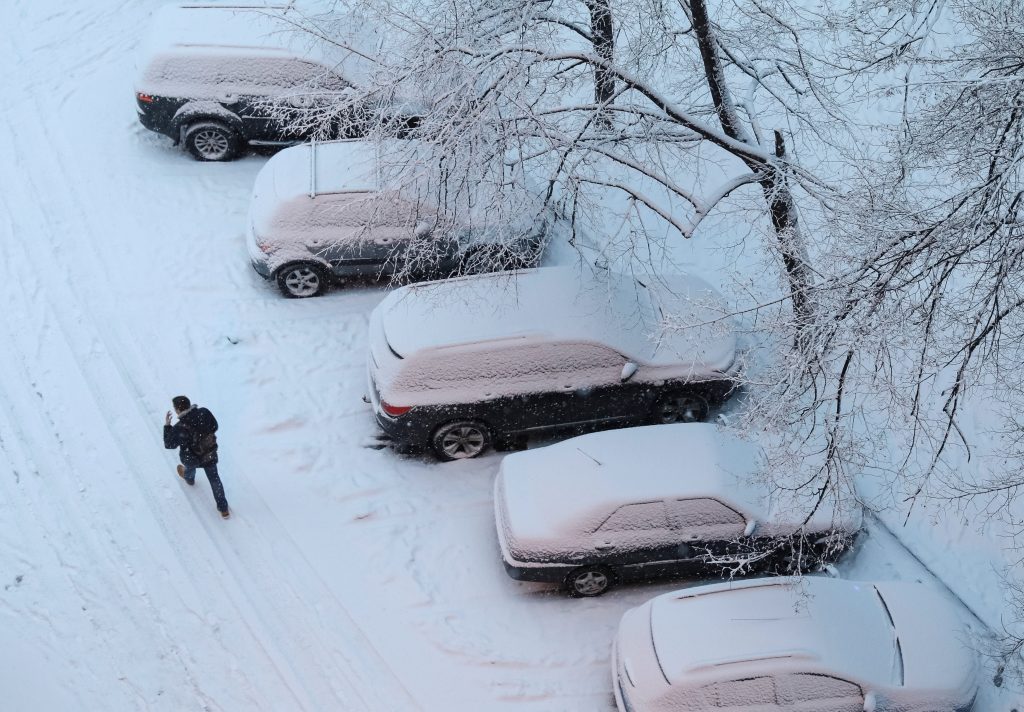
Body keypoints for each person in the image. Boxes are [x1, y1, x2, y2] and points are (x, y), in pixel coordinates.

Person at [163, 395, 230, 519]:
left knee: (189, 466)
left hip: (191, 458)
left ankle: (189, 478)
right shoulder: (203, 412)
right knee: (214, 479)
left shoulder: (179, 427)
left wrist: (167, 426)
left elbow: (169, 444)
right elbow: (215, 426)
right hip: (208, 454)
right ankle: (223, 508)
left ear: (178, 409)